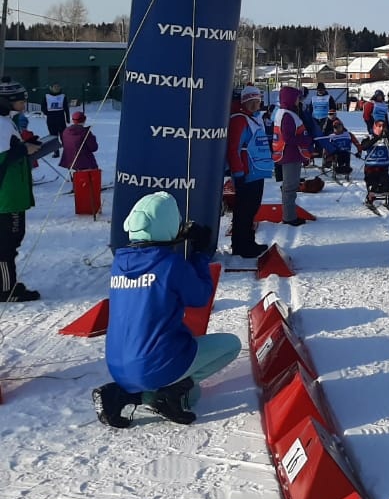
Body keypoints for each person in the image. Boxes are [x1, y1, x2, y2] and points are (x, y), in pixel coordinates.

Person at [92, 192, 241, 429]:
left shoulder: (120, 263)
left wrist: (174, 237)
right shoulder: (170, 265)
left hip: (118, 366)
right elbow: (200, 296)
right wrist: (200, 254)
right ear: (168, 225)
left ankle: (121, 394)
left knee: (191, 392)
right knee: (230, 346)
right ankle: (161, 396)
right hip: (155, 364)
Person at [0, 80, 40, 301]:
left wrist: (26, 146)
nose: (24, 103)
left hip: (12, 194)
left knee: (9, 241)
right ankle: (6, 290)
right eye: (20, 100)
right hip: (7, 197)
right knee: (7, 244)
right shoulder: (1, 124)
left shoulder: (6, 121)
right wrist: (24, 149)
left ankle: (8, 284)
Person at [226, 86, 272, 258]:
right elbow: (233, 149)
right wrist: (238, 172)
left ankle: (248, 242)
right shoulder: (239, 119)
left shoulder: (254, 118)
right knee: (244, 211)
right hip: (247, 173)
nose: (255, 105)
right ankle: (241, 246)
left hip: (257, 171)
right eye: (251, 102)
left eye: (257, 102)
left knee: (251, 209)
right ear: (244, 102)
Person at [271, 85, 314, 227]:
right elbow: (288, 138)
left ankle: (290, 215)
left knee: (290, 186)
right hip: (290, 155)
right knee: (290, 187)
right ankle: (289, 217)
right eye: (296, 98)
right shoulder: (287, 115)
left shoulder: (284, 112)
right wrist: (306, 140)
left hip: (290, 154)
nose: (298, 100)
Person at [359, 119, 389, 205]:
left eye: (383, 126)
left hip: (383, 169)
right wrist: (377, 138)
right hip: (371, 169)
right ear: (375, 127)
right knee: (374, 183)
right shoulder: (369, 137)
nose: (382, 128)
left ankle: (384, 194)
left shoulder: (387, 140)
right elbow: (364, 146)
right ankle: (370, 197)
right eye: (379, 126)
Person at [43, 82, 70, 158]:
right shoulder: (46, 96)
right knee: (53, 136)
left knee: (64, 136)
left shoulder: (62, 96)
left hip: (61, 119)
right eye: (55, 87)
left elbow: (66, 108)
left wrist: (67, 118)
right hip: (51, 119)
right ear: (51, 88)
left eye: (58, 86)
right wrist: (47, 113)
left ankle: (67, 151)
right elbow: (43, 107)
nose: (57, 88)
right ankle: (56, 152)